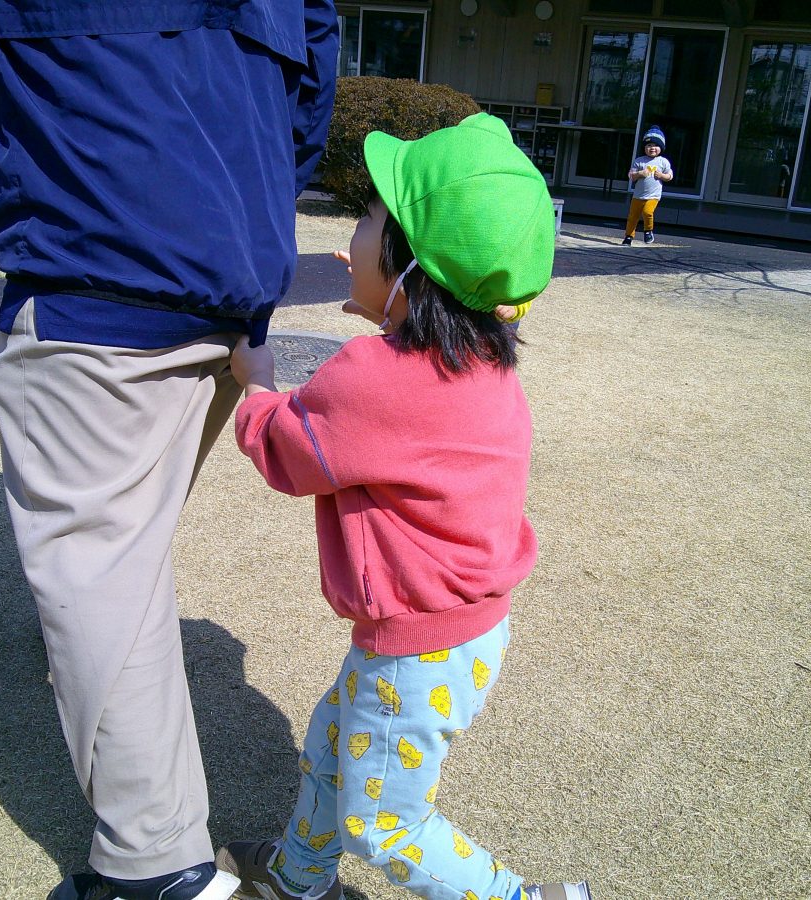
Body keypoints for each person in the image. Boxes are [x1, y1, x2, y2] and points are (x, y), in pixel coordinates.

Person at [0, 2, 339, 898]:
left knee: (106, 565)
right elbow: (315, 54)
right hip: (234, 264)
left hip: (98, 259)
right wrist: (249, 198)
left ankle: (154, 869)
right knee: (126, 557)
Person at [217, 113, 592, 900]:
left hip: (417, 649)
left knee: (384, 823)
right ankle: (298, 875)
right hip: (462, 632)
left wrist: (257, 382)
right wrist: (387, 308)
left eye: (367, 218)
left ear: (409, 264)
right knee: (331, 747)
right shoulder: (481, 364)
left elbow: (289, 449)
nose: (352, 235)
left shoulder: (375, 377)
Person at [622, 125, 673, 245]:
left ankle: (648, 231)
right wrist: (640, 173)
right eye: (649, 145)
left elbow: (670, 176)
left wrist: (662, 175)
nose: (652, 148)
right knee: (633, 217)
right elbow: (631, 176)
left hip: (653, 196)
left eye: (655, 145)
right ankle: (629, 236)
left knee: (647, 212)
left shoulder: (663, 162)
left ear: (661, 147)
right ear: (644, 147)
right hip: (638, 195)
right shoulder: (639, 160)